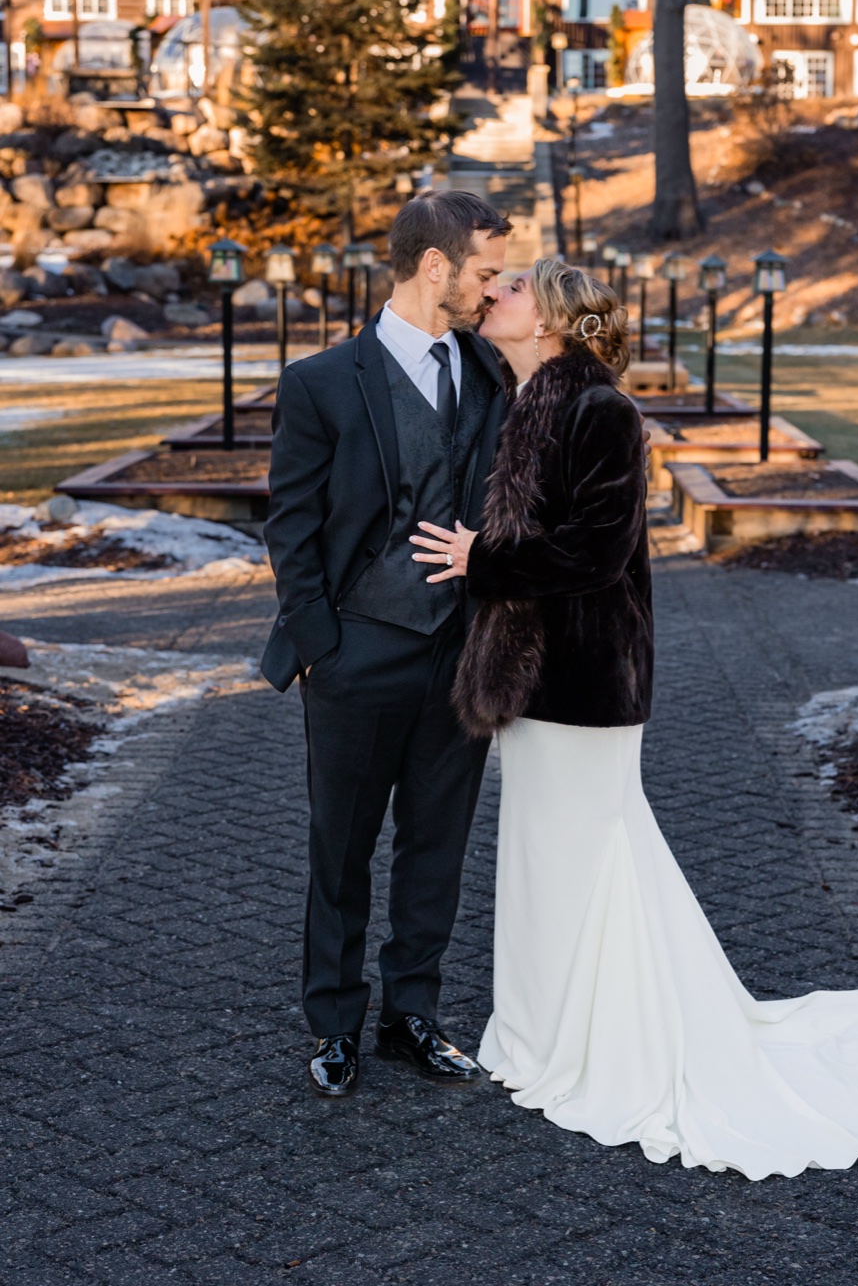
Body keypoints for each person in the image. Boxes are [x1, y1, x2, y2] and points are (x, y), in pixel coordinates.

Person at [411, 256, 858, 1180]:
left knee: (585, 862)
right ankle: (548, 1035)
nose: (491, 294)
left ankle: (607, 1048)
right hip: (540, 681)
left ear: (547, 319)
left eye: (508, 287)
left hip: (586, 681)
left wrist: (484, 559)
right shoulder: (533, 400)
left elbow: (593, 552)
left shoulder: (601, 412)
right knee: (557, 862)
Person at [262, 190, 511, 1098]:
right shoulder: (323, 381)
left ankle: (413, 1014)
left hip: (460, 653)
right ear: (435, 266)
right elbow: (290, 525)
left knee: (437, 847)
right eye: (485, 273)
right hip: (357, 651)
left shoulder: (489, 372)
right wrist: (321, 641)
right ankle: (334, 1023)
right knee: (342, 848)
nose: (494, 290)